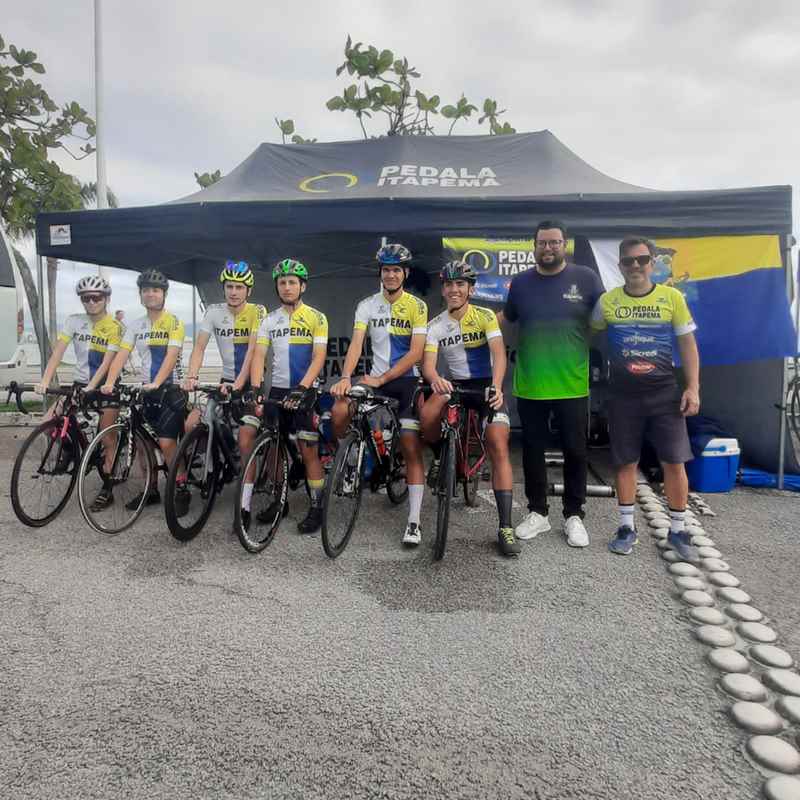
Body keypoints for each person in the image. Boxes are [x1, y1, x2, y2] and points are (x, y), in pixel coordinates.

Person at [591, 236, 700, 559]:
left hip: (664, 392)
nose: (635, 265)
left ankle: (679, 531)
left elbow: (688, 345)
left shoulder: (672, 298)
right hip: (623, 394)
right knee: (625, 462)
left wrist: (693, 387)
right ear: (620, 266)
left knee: (674, 461)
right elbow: (585, 334)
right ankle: (626, 528)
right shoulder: (607, 302)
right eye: (628, 261)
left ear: (653, 262)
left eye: (641, 259)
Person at [502, 220, 604, 548]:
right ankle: (538, 513)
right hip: (531, 381)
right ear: (534, 247)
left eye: (555, 242)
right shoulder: (520, 283)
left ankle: (574, 514)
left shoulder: (586, 279)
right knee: (532, 449)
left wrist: (578, 345)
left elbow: (602, 320)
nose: (549, 248)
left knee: (575, 450)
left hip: (572, 383)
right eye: (543, 243)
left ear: (565, 245)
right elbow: (506, 322)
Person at [330, 243, 428, 547]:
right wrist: (346, 377)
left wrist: (385, 376)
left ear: (405, 273)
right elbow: (357, 344)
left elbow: (416, 353)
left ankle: (414, 521)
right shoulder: (367, 305)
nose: (390, 275)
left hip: (405, 380)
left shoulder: (417, 306)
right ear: (381, 273)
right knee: (340, 411)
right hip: (375, 378)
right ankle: (350, 463)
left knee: (411, 445)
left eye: (396, 270)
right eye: (386, 270)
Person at [420, 260, 520, 557]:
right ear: (444, 289)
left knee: (498, 444)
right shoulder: (435, 325)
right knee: (427, 415)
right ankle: (440, 456)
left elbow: (499, 355)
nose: (454, 289)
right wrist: (435, 378)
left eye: (460, 284)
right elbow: (427, 364)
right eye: (449, 284)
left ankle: (505, 526)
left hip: (486, 386)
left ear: (470, 289)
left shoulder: (486, 316)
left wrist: (498, 386)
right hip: (456, 385)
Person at [247, 259, 329, 533]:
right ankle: (279, 501)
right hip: (278, 390)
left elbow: (319, 357)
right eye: (282, 282)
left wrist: (303, 387)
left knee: (308, 450)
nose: (287, 287)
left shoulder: (317, 317)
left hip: (304, 389)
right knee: (273, 448)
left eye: (292, 282)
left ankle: (317, 505)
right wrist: (257, 387)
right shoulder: (269, 320)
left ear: (302, 286)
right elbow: (259, 355)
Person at [101, 269, 188, 511]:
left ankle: (180, 485)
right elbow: (121, 355)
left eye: (156, 290)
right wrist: (109, 381)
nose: (151, 294)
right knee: (141, 443)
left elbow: (171, 357)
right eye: (146, 290)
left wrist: (157, 382)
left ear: (164, 294)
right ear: (140, 295)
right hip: (146, 390)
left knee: (167, 442)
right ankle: (150, 489)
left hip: (170, 389)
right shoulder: (135, 325)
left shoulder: (175, 323)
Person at [36, 275, 123, 508]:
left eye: (96, 298)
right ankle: (70, 450)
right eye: (86, 299)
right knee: (47, 422)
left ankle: (108, 486)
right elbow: (58, 352)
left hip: (106, 386)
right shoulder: (74, 321)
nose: (91, 302)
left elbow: (106, 363)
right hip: (80, 383)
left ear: (106, 299)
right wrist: (44, 380)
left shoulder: (115, 327)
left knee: (107, 438)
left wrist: (92, 387)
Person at [182, 260, 266, 494]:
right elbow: (199, 347)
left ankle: (248, 474)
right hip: (226, 379)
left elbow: (252, 352)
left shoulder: (257, 311)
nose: (234, 292)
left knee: (247, 436)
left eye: (239, 287)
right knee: (193, 423)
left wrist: (239, 384)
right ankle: (215, 466)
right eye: (229, 286)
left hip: (251, 380)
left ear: (248, 290)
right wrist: (191, 376)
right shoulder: (213, 311)